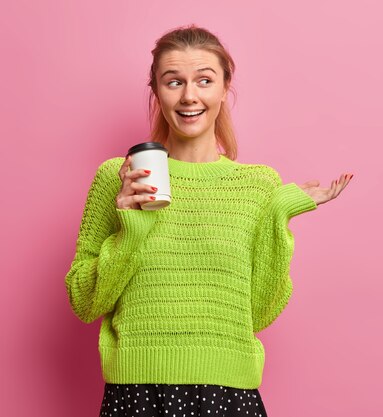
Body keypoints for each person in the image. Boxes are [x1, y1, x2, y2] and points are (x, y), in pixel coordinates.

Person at [64, 24, 352, 417]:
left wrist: (278, 212)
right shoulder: (119, 176)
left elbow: (260, 311)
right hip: (135, 395)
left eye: (204, 80)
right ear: (156, 91)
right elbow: (84, 301)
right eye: (173, 81)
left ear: (224, 87)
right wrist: (131, 228)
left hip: (229, 395)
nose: (189, 96)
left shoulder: (257, 185)